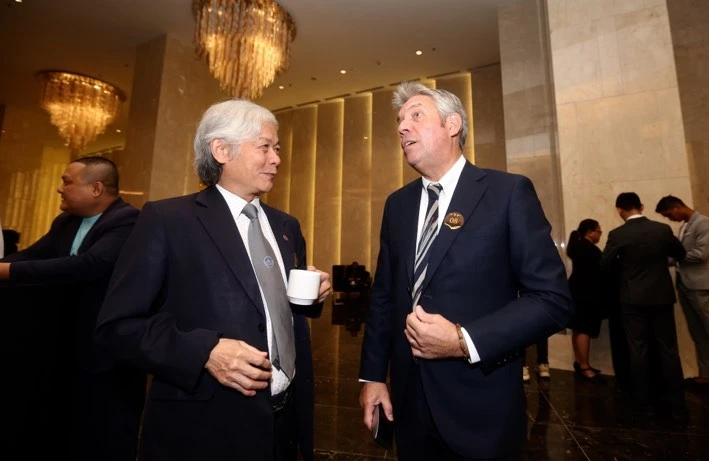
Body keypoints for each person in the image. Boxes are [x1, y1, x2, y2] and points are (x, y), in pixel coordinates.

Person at [95, 99, 331, 461]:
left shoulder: (287, 226)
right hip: (204, 428)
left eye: (278, 148)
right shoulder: (167, 220)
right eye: (265, 147)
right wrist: (204, 351)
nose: (276, 159)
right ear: (221, 150)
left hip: (283, 422)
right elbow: (118, 327)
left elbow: (271, 306)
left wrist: (310, 298)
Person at [358, 82, 574, 460]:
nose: (402, 127)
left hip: (480, 406)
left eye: (416, 116)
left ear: (452, 125)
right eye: (400, 120)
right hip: (409, 403)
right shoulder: (397, 205)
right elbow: (384, 297)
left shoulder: (508, 193)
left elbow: (552, 301)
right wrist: (373, 376)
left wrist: (464, 340)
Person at [0, 157, 146, 460]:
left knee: (103, 433)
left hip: (107, 353)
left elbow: (88, 266)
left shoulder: (129, 221)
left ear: (96, 189)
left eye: (67, 181)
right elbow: (33, 255)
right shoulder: (66, 221)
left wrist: (5, 272)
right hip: (64, 343)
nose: (59, 188)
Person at [600, 192, 687, 422]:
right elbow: (680, 253)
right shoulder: (662, 230)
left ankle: (643, 404)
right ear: (641, 206)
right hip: (661, 297)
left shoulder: (618, 234)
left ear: (619, 210)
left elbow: (605, 265)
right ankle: (677, 405)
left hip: (632, 299)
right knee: (668, 350)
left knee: (638, 350)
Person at [656, 195, 709, 395]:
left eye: (669, 214)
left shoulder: (704, 223)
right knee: (699, 334)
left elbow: (701, 254)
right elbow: (679, 256)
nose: (670, 219)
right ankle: (707, 376)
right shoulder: (684, 226)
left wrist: (675, 257)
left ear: (677, 206)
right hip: (686, 287)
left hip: (704, 287)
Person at [566, 219, 605, 383]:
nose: (600, 234)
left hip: (576, 292)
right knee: (584, 329)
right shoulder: (589, 249)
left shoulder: (577, 246)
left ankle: (580, 362)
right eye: (599, 231)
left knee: (578, 329)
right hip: (587, 294)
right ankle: (585, 367)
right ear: (590, 232)